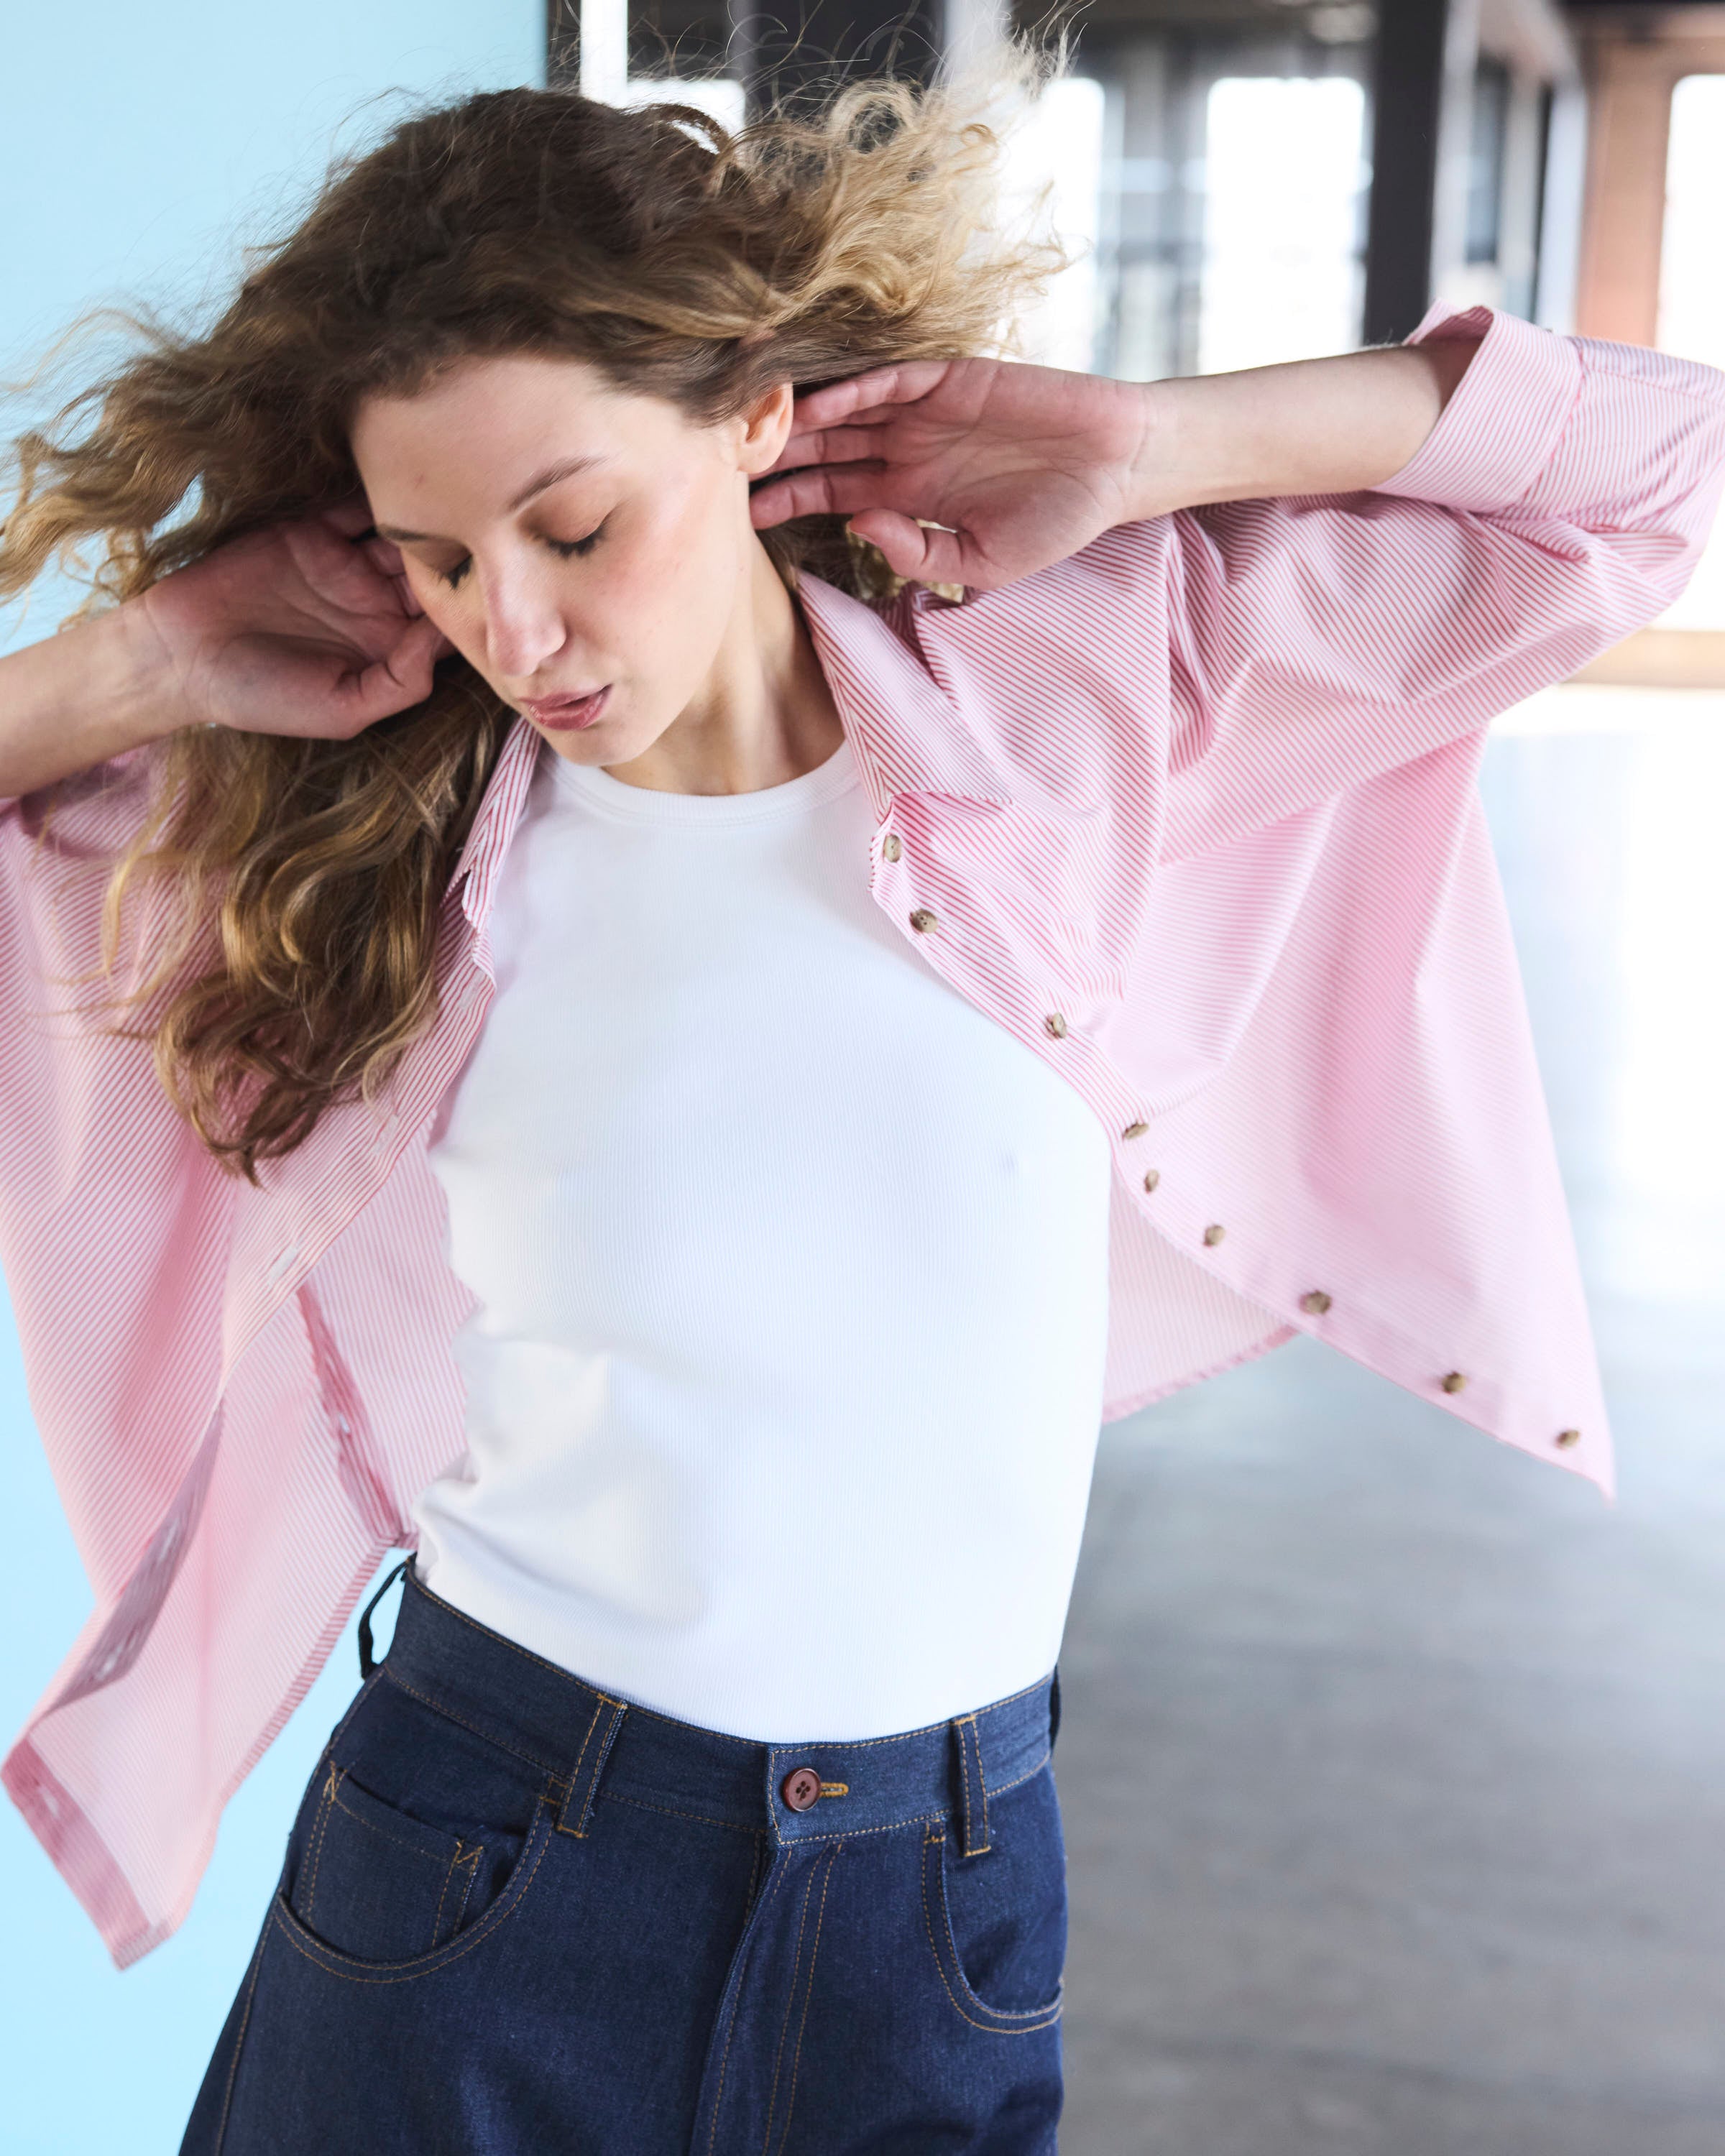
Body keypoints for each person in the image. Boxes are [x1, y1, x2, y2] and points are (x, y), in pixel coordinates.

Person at [1, 46, 1721, 2156]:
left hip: (948, 1889)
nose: (512, 627)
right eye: (433, 557)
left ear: (747, 418)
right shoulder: (392, 851)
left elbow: (1665, 469)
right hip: (495, 1855)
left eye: (572, 524)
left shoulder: (1076, 698)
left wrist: (1164, 444)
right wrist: (146, 668)